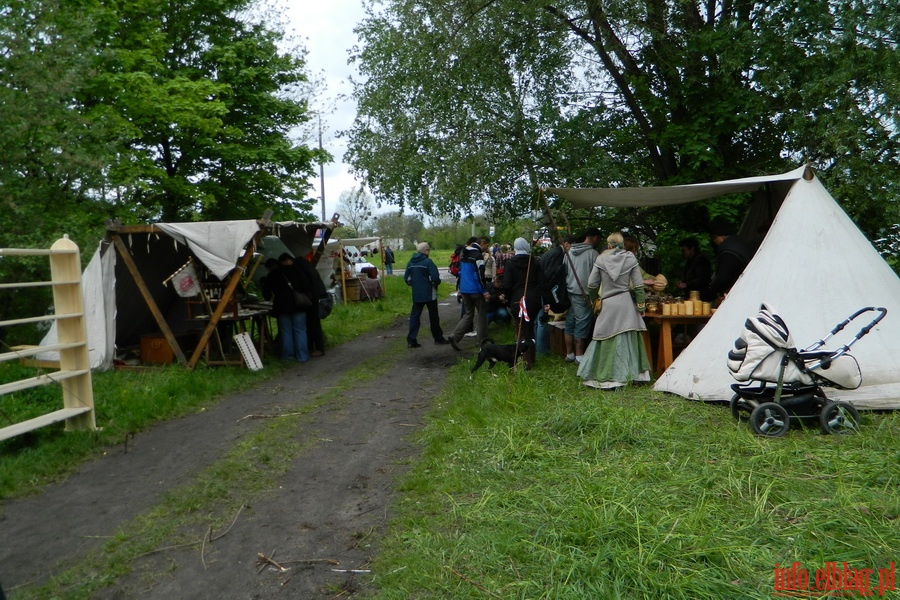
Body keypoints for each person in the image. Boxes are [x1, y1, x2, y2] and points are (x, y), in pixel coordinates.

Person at [577, 232, 651, 390]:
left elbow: (591, 284)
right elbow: (638, 285)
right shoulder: (630, 258)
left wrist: (593, 299)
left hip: (608, 303)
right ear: (622, 244)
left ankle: (605, 377)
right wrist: (640, 306)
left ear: (609, 244)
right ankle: (633, 375)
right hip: (625, 303)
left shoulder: (600, 258)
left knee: (604, 336)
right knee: (627, 336)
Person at [500, 237, 545, 369]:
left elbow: (507, 284)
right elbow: (542, 281)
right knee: (529, 328)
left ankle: (525, 361)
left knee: (520, 329)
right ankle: (531, 356)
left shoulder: (510, 263)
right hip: (533, 299)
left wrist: (507, 299)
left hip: (517, 299)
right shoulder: (535, 262)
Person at [266, 253, 316, 362]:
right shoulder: (298, 271)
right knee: (300, 331)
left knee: (285, 332)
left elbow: (266, 291)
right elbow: (306, 286)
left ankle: (287, 357)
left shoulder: (274, 273)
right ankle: (302, 356)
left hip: (281, 305)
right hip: (298, 305)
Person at [564, 228, 601, 363]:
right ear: (595, 238)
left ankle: (570, 354)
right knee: (583, 321)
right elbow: (596, 277)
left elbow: (565, 271)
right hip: (584, 293)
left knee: (571, 320)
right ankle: (579, 357)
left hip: (570, 291)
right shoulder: (593, 254)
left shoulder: (569, 253)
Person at [404, 242, 450, 348]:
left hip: (417, 294)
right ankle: (438, 338)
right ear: (425, 251)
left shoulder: (411, 262)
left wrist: (414, 285)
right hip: (430, 293)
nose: (429, 251)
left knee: (415, 316)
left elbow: (407, 278)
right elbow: (435, 278)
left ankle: (411, 339)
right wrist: (435, 283)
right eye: (428, 250)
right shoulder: (428, 262)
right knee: (433, 317)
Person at [448, 236, 490, 350]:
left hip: (464, 289)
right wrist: (484, 290)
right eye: (486, 245)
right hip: (475, 290)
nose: (487, 248)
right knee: (482, 315)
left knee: (468, 314)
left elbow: (461, 272)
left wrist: (460, 289)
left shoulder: (463, 253)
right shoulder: (477, 255)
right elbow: (480, 275)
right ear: (482, 243)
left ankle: (455, 336)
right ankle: (483, 342)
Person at [705, 217, 753, 304]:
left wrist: (711, 291)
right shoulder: (739, 246)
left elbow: (723, 278)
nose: (714, 240)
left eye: (715, 237)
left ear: (723, 236)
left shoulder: (728, 253)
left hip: (735, 296)